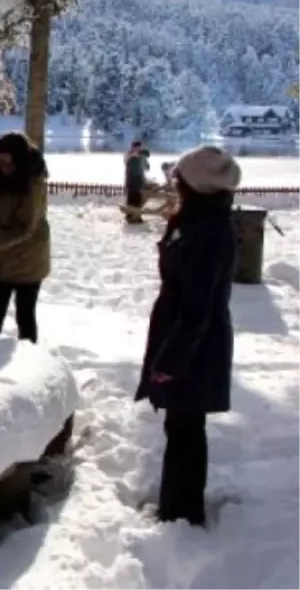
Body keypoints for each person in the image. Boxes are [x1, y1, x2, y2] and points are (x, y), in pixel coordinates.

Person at [135, 145, 240, 527]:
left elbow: (198, 307)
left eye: (179, 179)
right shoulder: (196, 220)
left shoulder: (210, 231)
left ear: (197, 185)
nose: (173, 183)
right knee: (181, 426)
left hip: (196, 345)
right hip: (186, 338)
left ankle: (182, 514)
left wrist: (170, 361)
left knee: (185, 429)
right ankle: (176, 507)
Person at [0, 132, 50, 344]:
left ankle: (30, 363)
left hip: (29, 260)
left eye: (9, 162)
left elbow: (25, 228)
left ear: (21, 161)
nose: (4, 167)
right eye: (0, 161)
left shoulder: (32, 184)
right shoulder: (2, 176)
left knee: (24, 316)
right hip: (4, 258)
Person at [124, 140, 152, 224]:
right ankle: (129, 216)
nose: (137, 149)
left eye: (139, 147)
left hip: (140, 180)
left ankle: (137, 216)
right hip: (131, 180)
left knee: (139, 200)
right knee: (130, 199)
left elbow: (147, 167)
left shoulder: (141, 156)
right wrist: (136, 155)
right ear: (132, 147)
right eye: (136, 147)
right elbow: (126, 160)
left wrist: (144, 158)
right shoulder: (128, 154)